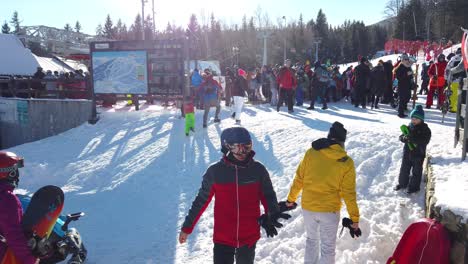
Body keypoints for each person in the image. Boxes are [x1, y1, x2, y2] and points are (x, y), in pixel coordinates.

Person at [179, 127, 290, 264]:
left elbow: (268, 195)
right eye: (238, 148)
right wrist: (187, 227)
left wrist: (272, 212)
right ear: (227, 147)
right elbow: (201, 201)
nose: (243, 152)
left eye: (247, 147)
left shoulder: (258, 170)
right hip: (223, 237)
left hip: (248, 235)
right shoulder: (215, 172)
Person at [282, 122, 360, 264]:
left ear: (329, 138)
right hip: (329, 211)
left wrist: (290, 199)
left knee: (311, 240)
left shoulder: (311, 152)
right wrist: (354, 219)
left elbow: (299, 178)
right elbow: (348, 194)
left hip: (308, 208)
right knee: (328, 247)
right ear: (342, 142)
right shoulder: (346, 162)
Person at [0, 152, 39, 264]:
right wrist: (30, 259)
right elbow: (14, 236)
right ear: (11, 173)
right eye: (16, 170)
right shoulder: (7, 199)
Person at [394, 105, 431, 194]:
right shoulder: (409, 126)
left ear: (421, 119)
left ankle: (414, 187)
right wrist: (403, 138)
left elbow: (424, 140)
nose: (413, 121)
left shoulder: (425, 129)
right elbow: (402, 135)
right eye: (412, 118)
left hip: (418, 154)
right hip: (407, 153)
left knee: (416, 171)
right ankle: (402, 183)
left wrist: (412, 139)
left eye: (416, 119)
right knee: (404, 169)